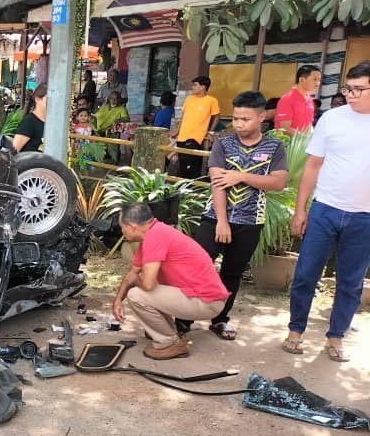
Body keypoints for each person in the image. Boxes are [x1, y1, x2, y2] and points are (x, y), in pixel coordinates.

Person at [174, 91, 288, 341]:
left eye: (245, 119)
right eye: (235, 118)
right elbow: (217, 183)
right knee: (198, 266)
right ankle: (183, 319)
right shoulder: (224, 144)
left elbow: (279, 182)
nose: (238, 124)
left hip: (250, 222)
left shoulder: (274, 147)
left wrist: (242, 176)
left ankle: (220, 319)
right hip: (215, 218)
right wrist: (222, 222)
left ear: (261, 117)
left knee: (232, 273)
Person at [282, 60, 370, 363]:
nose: (351, 94)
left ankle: (335, 337)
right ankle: (295, 331)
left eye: (359, 89)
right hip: (324, 210)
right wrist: (300, 209)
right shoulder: (332, 118)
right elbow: (313, 165)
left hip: (364, 218)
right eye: (348, 88)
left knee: (350, 282)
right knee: (306, 273)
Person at [112, 201, 229, 360]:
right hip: (200, 297)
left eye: (122, 227)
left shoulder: (155, 237)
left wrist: (135, 281)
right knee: (139, 292)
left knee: (136, 295)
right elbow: (131, 275)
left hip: (207, 302)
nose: (121, 231)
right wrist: (118, 300)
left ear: (132, 226)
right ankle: (168, 335)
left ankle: (170, 343)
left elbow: (147, 284)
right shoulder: (152, 234)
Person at [173, 76, 220, 178]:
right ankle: (182, 188)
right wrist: (177, 131)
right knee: (182, 164)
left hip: (196, 138)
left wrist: (210, 132)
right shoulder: (189, 99)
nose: (192, 87)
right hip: (182, 136)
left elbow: (216, 117)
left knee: (193, 165)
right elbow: (183, 116)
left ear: (203, 87)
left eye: (195, 85)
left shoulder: (211, 100)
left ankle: (192, 188)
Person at [275, 64, 322, 132]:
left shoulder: (310, 100)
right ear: (302, 79)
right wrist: (304, 139)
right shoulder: (287, 99)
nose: (317, 83)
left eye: (319, 80)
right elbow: (284, 128)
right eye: (314, 79)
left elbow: (309, 125)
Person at [12, 83, 47, 152]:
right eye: (49, 98)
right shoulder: (29, 122)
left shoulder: (51, 123)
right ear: (37, 99)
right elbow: (13, 152)